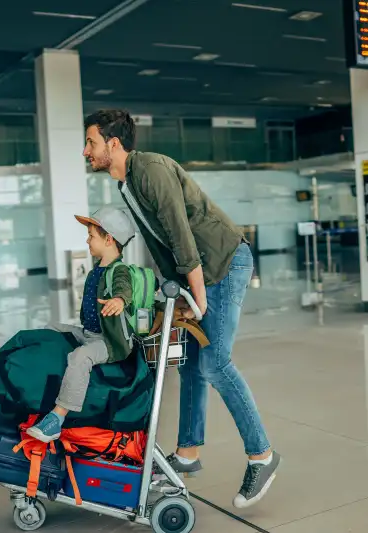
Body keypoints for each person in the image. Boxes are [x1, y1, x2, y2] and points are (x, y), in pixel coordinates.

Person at [82, 109, 281, 509]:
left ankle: (262, 455)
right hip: (199, 273)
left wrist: (198, 295)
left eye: (91, 142)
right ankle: (188, 453)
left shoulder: (150, 170)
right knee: (190, 362)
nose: (87, 151)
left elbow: (179, 232)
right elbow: (161, 245)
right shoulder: (127, 185)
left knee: (215, 363)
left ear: (113, 144)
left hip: (222, 264)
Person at [27, 207, 136, 443]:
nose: (87, 240)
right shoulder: (97, 270)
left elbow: (123, 288)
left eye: (91, 235)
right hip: (88, 332)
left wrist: (119, 300)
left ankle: (57, 418)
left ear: (109, 239)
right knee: (51, 328)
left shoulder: (120, 271)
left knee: (81, 356)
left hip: (108, 342)